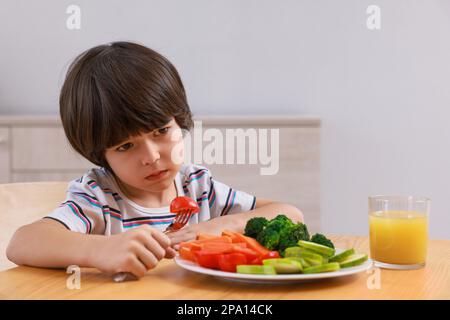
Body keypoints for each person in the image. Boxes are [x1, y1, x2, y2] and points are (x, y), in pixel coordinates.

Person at [6, 42, 303, 279]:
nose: (151, 156)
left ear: (179, 122)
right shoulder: (98, 197)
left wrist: (226, 225)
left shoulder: (197, 187)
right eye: (125, 146)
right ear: (101, 154)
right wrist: (100, 250)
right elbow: (22, 242)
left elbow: (290, 213)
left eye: (161, 131)